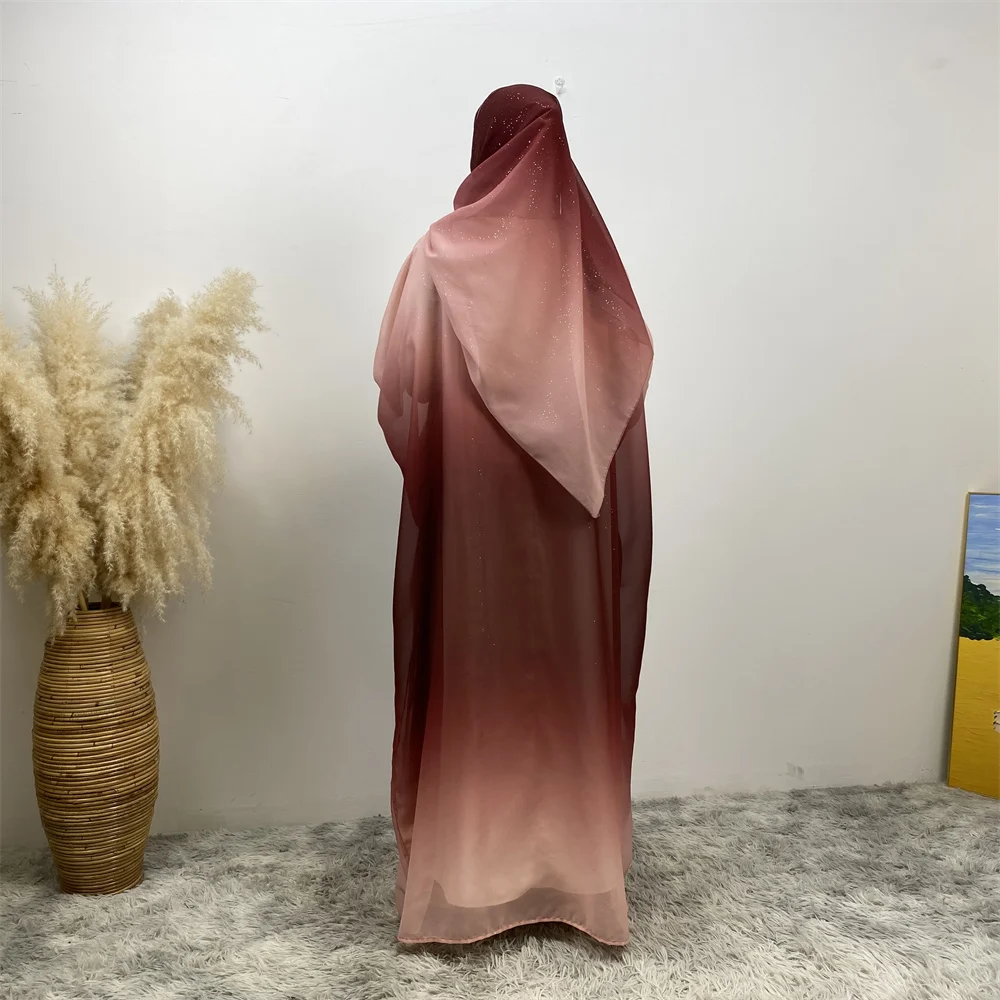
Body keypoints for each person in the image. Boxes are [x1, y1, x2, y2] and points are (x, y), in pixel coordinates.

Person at [374, 84, 654, 946]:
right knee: (566, 675)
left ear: (486, 146)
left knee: (479, 671)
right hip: (574, 518)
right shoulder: (589, 271)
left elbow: (403, 382)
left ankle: (472, 872)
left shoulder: (439, 255)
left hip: (478, 510)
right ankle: (576, 869)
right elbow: (627, 389)